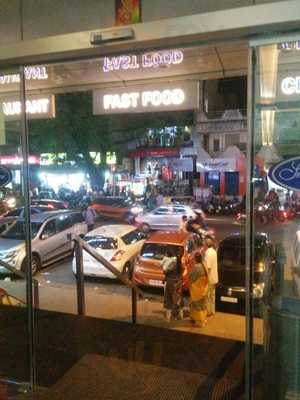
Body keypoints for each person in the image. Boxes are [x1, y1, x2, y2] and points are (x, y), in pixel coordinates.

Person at [161, 248, 184, 321]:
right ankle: (180, 315)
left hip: (171, 282)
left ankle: (169, 317)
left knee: (169, 298)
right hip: (179, 282)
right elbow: (182, 272)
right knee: (178, 298)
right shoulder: (180, 263)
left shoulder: (172, 263)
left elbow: (165, 271)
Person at [188, 253, 209, 327]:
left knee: (197, 306)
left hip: (197, 289)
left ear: (196, 259)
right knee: (203, 305)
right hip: (203, 288)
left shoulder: (197, 267)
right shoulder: (204, 265)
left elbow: (191, 277)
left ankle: (200, 322)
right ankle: (204, 320)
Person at [204, 237, 218, 316]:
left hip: (209, 278)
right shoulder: (214, 251)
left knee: (208, 296)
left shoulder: (208, 253)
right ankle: (212, 310)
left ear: (206, 244)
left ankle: (208, 311)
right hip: (214, 277)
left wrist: (205, 277)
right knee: (212, 295)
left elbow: (208, 267)